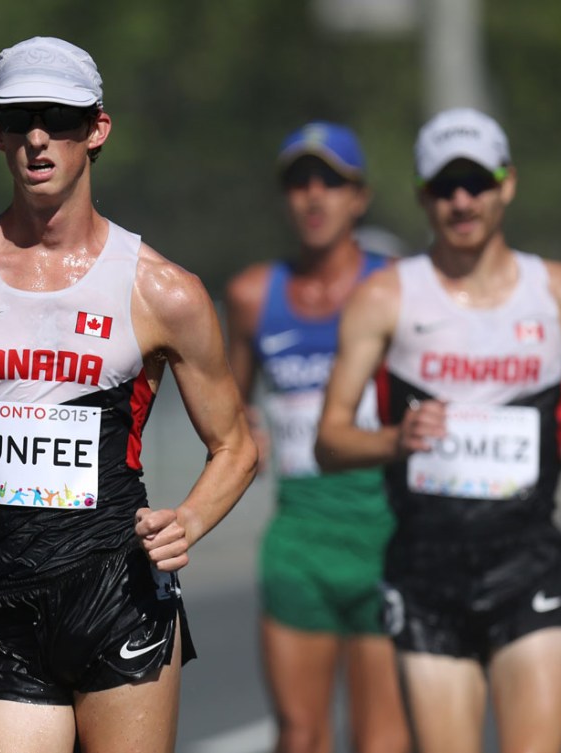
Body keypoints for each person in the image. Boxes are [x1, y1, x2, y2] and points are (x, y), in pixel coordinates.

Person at [0, 36, 257, 753]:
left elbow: (235, 445)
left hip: (117, 595)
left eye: (59, 118)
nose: (37, 137)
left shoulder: (161, 290)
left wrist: (189, 521)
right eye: (18, 118)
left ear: (95, 130)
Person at [315, 107, 561, 753]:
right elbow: (329, 439)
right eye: (444, 186)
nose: (460, 200)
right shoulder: (385, 297)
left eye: (475, 182)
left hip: (525, 559)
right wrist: (394, 440)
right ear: (423, 195)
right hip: (425, 572)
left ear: (506, 184)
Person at [224, 122, 410, 753]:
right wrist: (241, 425)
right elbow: (226, 405)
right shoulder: (254, 295)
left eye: (329, 181)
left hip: (386, 539)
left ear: (358, 196)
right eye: (299, 182)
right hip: (299, 542)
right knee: (300, 737)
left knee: (379, 739)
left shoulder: (398, 286)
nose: (313, 196)